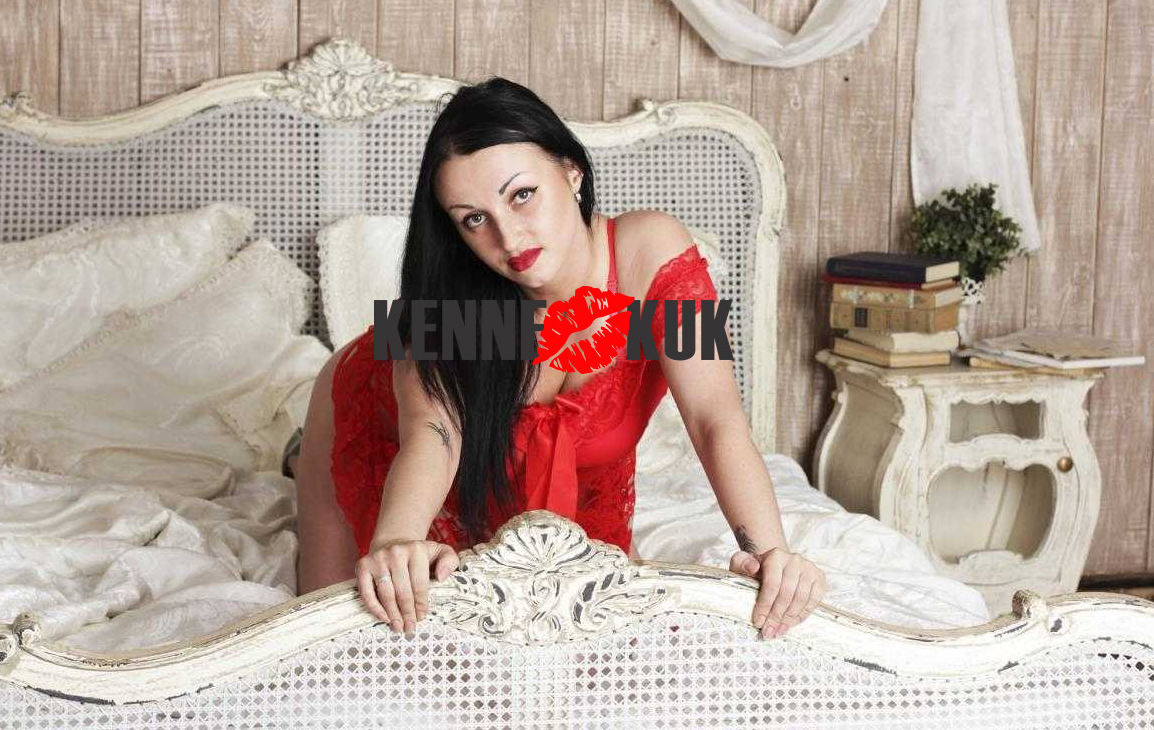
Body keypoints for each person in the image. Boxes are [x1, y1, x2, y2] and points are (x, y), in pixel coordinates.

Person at [288, 77, 826, 642]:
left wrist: (771, 555)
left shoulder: (654, 252)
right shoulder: (448, 306)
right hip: (381, 422)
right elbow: (434, 434)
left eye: (522, 195)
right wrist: (396, 540)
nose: (508, 237)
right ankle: (298, 458)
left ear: (571, 171)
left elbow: (715, 417)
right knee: (345, 633)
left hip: (558, 481)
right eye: (474, 219)